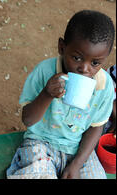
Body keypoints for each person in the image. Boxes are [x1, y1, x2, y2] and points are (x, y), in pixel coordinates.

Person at [7, 10, 115, 179]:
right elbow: (27, 120)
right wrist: (46, 94)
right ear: (62, 47)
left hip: (79, 149)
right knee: (35, 173)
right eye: (77, 58)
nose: (85, 69)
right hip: (40, 143)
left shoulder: (105, 85)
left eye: (95, 63)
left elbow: (96, 126)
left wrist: (78, 163)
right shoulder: (44, 71)